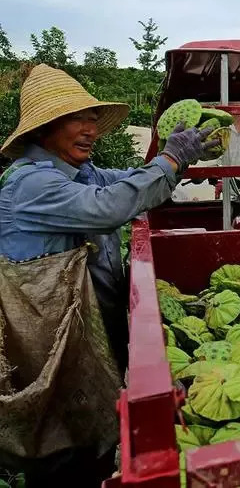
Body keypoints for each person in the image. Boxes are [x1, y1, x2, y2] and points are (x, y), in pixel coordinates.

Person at [0, 64, 219, 486]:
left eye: (92, 119)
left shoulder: (81, 172)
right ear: (43, 129)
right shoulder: (30, 184)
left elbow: (127, 185)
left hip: (83, 329)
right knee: (58, 441)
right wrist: (172, 158)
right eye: (75, 119)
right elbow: (110, 208)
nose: (90, 129)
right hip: (48, 340)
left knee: (87, 427)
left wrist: (180, 162)